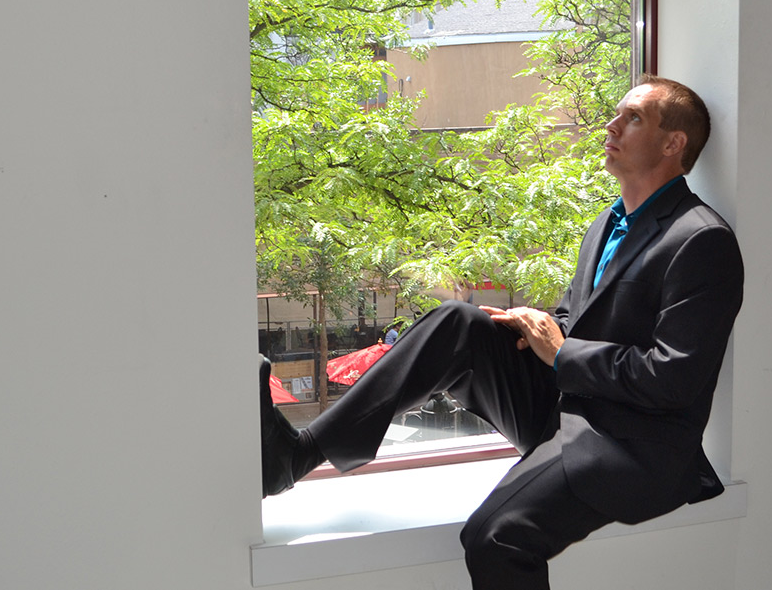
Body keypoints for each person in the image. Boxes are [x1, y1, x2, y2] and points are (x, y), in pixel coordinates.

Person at [260, 75, 743, 590]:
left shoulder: (702, 240)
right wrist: (538, 329)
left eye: (634, 118)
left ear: (673, 144)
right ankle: (296, 457)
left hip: (633, 444)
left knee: (494, 537)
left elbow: (674, 380)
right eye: (617, 113)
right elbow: (577, 324)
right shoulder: (607, 222)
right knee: (461, 323)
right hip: (567, 406)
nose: (611, 125)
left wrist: (562, 352)